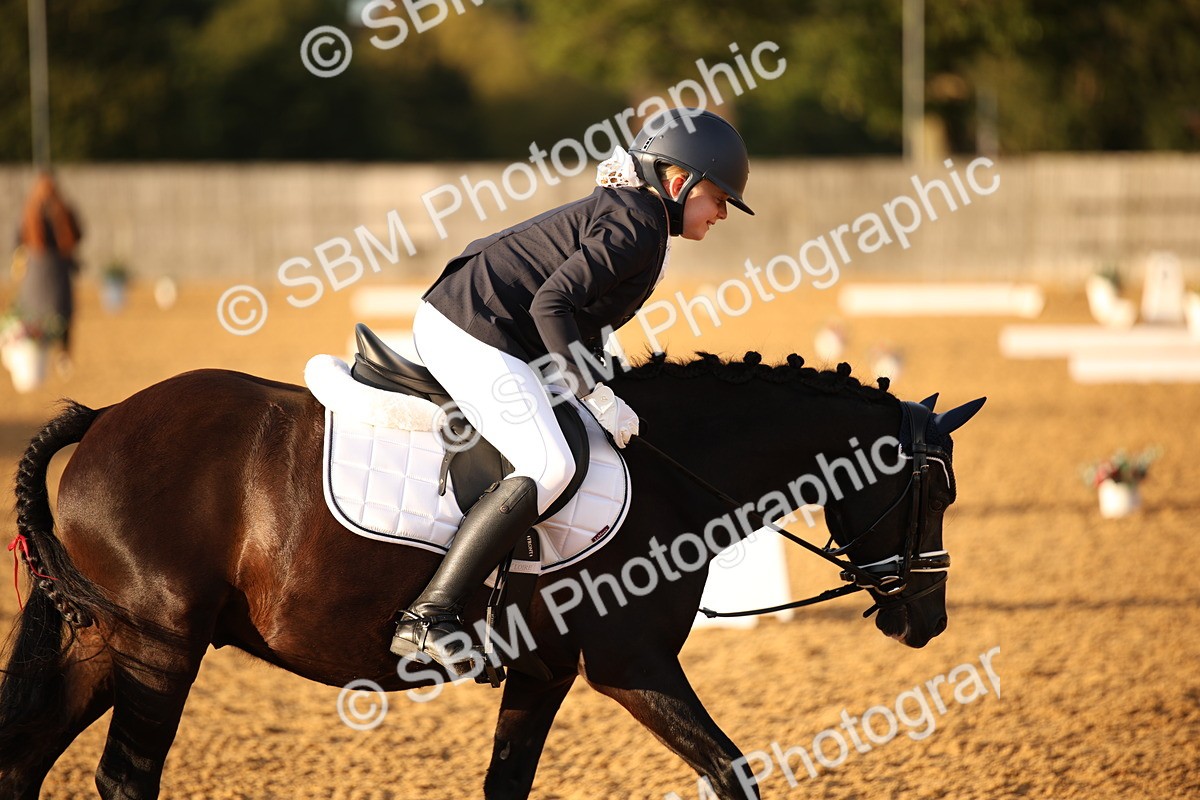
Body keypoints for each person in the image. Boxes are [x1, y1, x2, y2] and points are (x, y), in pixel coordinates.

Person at [390, 107, 754, 671]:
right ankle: (428, 615)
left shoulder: (641, 216)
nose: (723, 213)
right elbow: (551, 304)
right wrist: (597, 394)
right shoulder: (636, 225)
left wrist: (601, 378)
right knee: (550, 464)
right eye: (719, 197)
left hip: (497, 326)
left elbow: (579, 319)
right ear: (678, 182)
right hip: (472, 327)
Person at [13, 172, 82, 367]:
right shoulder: (63, 210)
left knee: (34, 314)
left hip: (37, 272)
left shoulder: (30, 210)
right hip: (57, 271)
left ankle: (35, 357)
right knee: (62, 314)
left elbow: (18, 239)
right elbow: (77, 235)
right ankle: (62, 354)